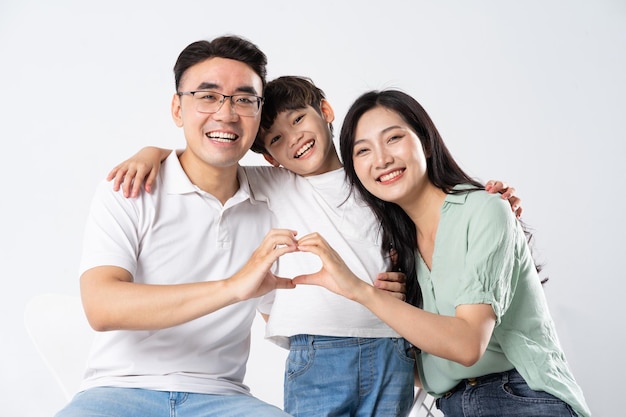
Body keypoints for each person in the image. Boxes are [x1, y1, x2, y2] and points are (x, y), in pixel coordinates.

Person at [108, 77, 522, 417]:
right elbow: (208, 161)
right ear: (270, 157)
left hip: (392, 346)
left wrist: (490, 198)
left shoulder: (374, 175)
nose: (293, 140)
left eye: (298, 119)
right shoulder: (275, 183)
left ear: (325, 111)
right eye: (275, 139)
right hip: (318, 350)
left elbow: (431, 213)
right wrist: (154, 152)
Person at [291, 89, 591, 417]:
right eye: (363, 151)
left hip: (520, 397)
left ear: (427, 143)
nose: (381, 159)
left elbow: (466, 345)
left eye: (393, 138)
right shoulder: (396, 247)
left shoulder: (484, 209)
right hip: (452, 405)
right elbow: (428, 366)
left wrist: (362, 293)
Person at [54, 36, 299, 417]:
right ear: (177, 108)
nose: (227, 113)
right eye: (207, 96)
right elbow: (102, 306)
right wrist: (233, 287)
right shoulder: (129, 186)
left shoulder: (277, 196)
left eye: (244, 99)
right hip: (119, 390)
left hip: (224, 397)